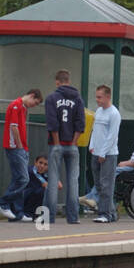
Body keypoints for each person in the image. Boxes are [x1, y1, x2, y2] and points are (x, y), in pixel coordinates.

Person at [0, 88, 43, 223]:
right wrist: (20, 145)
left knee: (18, 179)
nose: (34, 105)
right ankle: (3, 203)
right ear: (32, 96)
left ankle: (17, 212)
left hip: (20, 147)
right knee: (23, 179)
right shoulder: (15, 105)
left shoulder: (23, 108)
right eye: (35, 102)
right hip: (15, 147)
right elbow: (14, 127)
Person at [44, 69, 84, 225]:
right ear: (69, 80)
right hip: (72, 144)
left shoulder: (51, 98)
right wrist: (74, 142)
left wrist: (57, 142)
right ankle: (73, 217)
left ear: (57, 82)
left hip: (56, 144)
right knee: (73, 181)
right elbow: (81, 123)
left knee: (53, 181)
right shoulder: (78, 99)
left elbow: (52, 123)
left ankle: (50, 217)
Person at [88, 84, 121, 224]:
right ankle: (111, 213)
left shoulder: (114, 113)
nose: (97, 100)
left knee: (106, 184)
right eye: (96, 97)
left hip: (108, 154)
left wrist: (103, 152)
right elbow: (94, 131)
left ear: (108, 96)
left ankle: (105, 214)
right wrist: (92, 146)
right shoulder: (99, 111)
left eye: (99, 97)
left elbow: (112, 136)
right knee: (99, 184)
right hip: (96, 152)